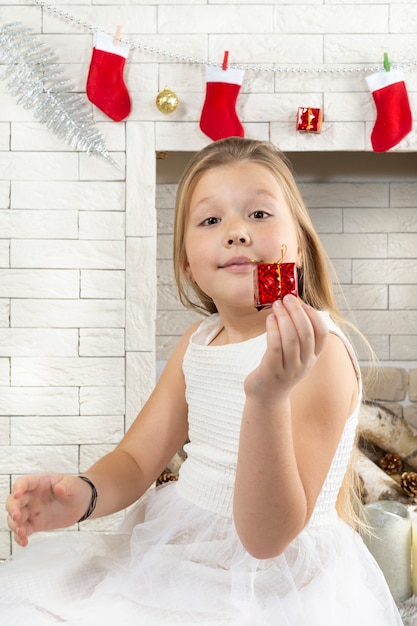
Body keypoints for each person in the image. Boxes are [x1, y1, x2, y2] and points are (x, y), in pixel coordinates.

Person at [1, 137, 403, 625]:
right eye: (211, 220)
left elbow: (266, 539)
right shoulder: (200, 340)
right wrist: (83, 496)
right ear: (188, 266)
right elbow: (134, 459)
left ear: (297, 245)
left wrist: (268, 396)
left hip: (271, 587)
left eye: (259, 214)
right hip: (179, 548)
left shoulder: (319, 353)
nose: (236, 232)